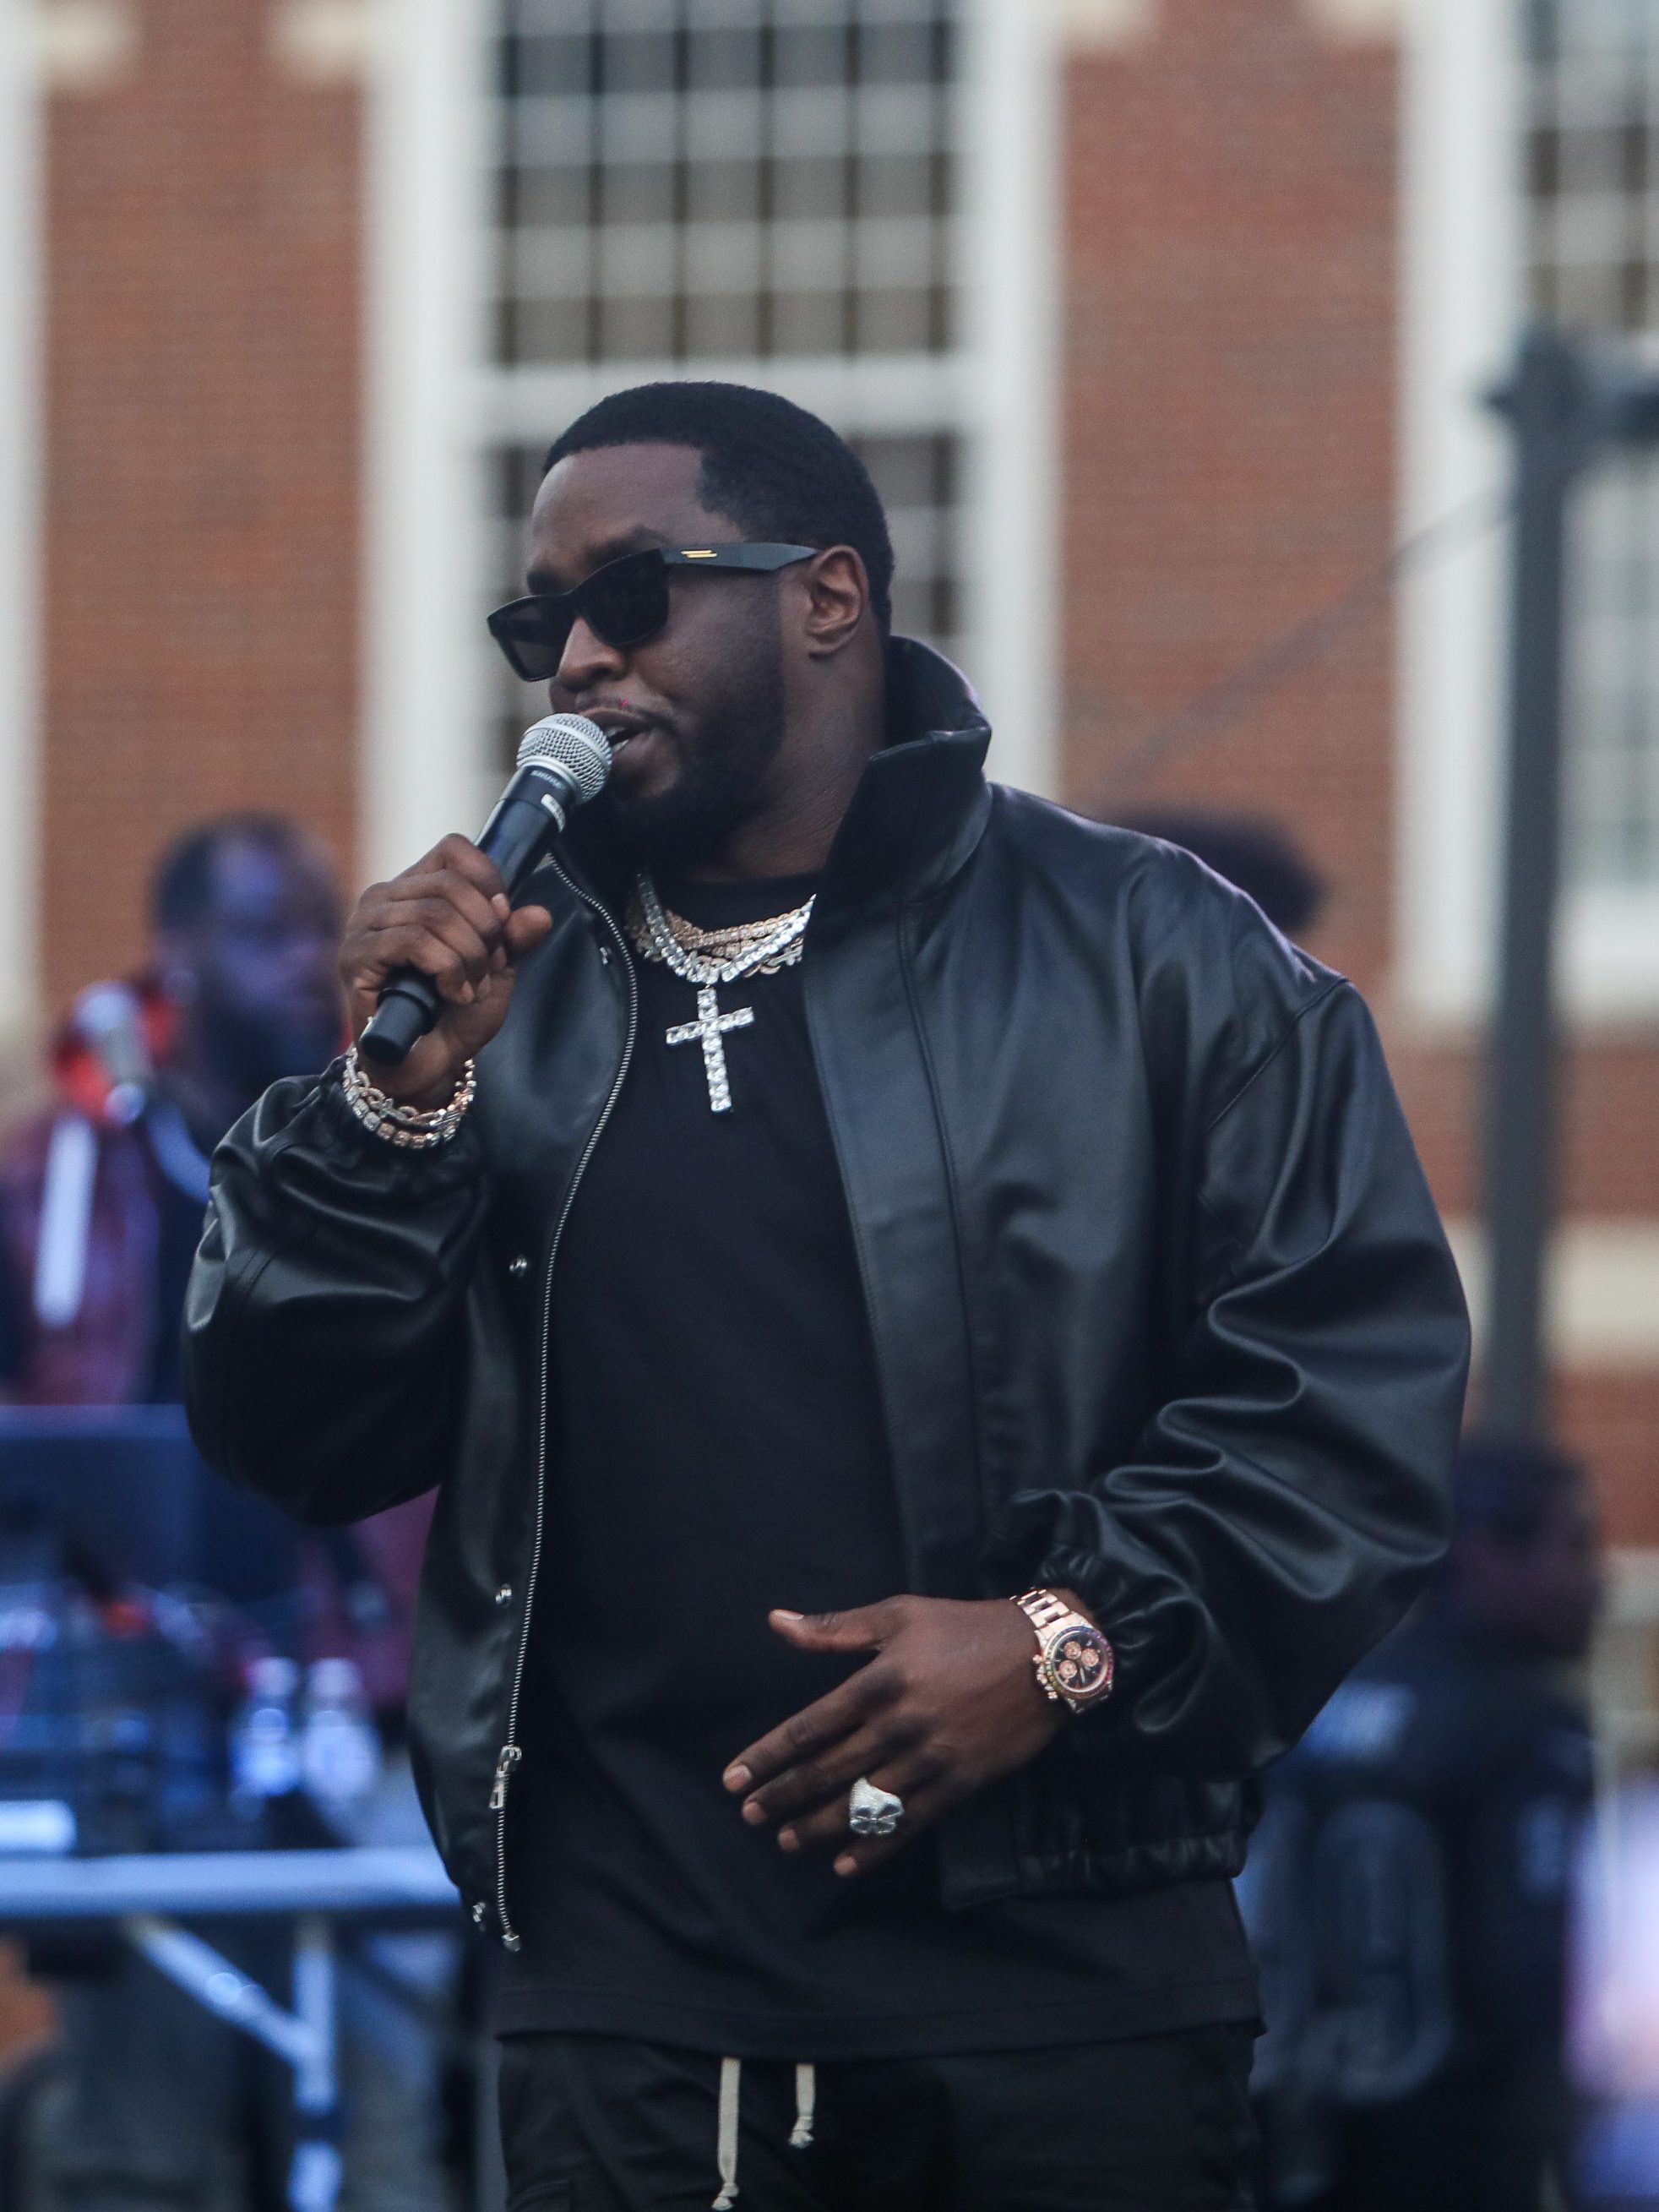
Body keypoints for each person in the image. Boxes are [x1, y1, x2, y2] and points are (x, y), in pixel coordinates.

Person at [184, 380, 1470, 2211]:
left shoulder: (1155, 956)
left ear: (828, 596)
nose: (579, 659)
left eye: (633, 594)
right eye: (543, 622)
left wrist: (1064, 1633)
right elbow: (294, 1440)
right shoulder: (491, 1016)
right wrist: (386, 1117)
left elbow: (1350, 1412)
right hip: (632, 2020)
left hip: (1067, 2007)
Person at [1244, 1434, 1602, 2212]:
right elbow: (1536, 1969)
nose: (1596, 1581)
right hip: (1451, 2150)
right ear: (1483, 1552)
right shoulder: (1523, 1721)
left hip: (1296, 2133)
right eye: (1573, 1547)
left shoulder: (1328, 1701)